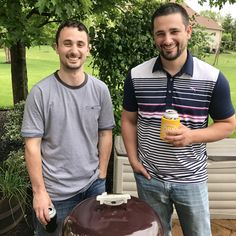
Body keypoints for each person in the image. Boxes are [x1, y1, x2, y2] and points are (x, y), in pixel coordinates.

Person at [121, 3, 236, 236]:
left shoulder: (213, 78)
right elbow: (128, 120)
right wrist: (134, 161)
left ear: (188, 31)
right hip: (149, 178)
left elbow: (228, 125)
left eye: (174, 31)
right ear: (154, 36)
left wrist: (191, 136)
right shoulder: (136, 76)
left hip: (191, 179)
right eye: (160, 33)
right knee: (155, 233)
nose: (167, 39)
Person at [21, 20, 115, 236]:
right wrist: (39, 192)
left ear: (88, 49)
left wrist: (101, 174)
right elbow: (32, 146)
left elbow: (105, 133)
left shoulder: (100, 90)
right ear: (57, 47)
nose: (74, 51)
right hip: (56, 194)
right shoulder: (41, 93)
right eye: (67, 43)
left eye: (80, 44)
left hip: (93, 187)